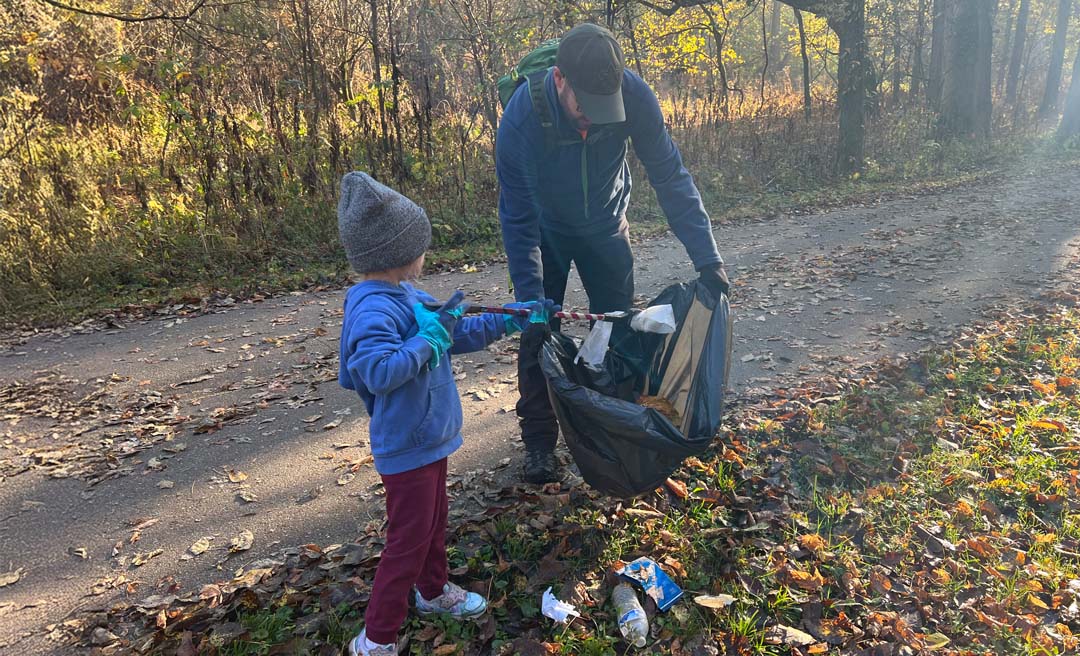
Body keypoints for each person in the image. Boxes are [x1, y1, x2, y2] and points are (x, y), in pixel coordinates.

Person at [496, 23, 730, 484]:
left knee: (620, 327)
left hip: (606, 224)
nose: (592, 122)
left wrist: (708, 258)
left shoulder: (634, 98)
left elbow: (670, 176)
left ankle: (619, 429)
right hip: (547, 230)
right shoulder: (522, 120)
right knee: (537, 334)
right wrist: (530, 297)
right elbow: (518, 222)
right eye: (585, 109)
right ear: (559, 79)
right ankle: (540, 442)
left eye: (603, 111)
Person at [336, 172, 556, 656]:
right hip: (406, 445)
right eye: (420, 245)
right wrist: (428, 340)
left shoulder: (407, 295)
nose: (425, 254)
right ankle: (375, 638)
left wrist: (515, 317)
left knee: (433, 524)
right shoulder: (375, 309)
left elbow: (458, 333)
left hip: (428, 438)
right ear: (396, 252)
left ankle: (433, 592)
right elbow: (376, 370)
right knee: (407, 541)